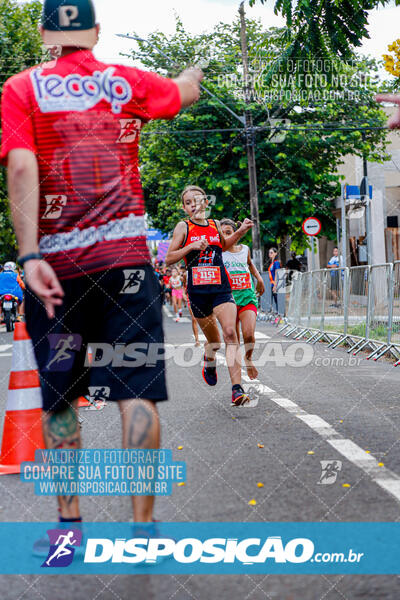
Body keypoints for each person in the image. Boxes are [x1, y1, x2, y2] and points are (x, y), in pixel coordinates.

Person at [1, 0, 202, 530]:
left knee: (62, 396)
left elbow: (22, 165)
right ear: (96, 32)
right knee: (135, 391)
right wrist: (189, 75)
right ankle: (143, 524)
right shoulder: (124, 82)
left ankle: (70, 521)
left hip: (58, 276)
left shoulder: (22, 89)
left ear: (45, 33)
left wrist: (29, 255)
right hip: (127, 270)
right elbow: (182, 94)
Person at [165, 185, 254, 407]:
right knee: (214, 341)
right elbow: (168, 258)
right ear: (185, 208)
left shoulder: (215, 225)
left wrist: (241, 230)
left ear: (206, 202)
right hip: (198, 292)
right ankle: (210, 358)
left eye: (197, 199)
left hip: (221, 288)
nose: (193, 204)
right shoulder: (183, 227)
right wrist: (191, 246)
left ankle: (236, 389)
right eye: (188, 202)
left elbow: (224, 246)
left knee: (231, 333)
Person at [221, 219, 265, 380]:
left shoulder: (244, 249)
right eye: (222, 233)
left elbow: (249, 264)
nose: (225, 236)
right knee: (234, 342)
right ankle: (237, 383)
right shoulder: (219, 252)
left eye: (228, 232)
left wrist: (259, 279)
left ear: (236, 233)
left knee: (249, 335)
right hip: (228, 301)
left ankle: (248, 357)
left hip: (247, 297)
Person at [267, 247, 281, 313]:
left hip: (276, 284)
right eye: (269, 253)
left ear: (275, 253)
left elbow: (277, 273)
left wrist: (275, 285)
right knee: (274, 300)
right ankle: (276, 314)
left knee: (277, 300)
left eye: (271, 253)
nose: (270, 254)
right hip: (272, 283)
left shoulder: (276, 262)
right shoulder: (271, 263)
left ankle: (280, 315)